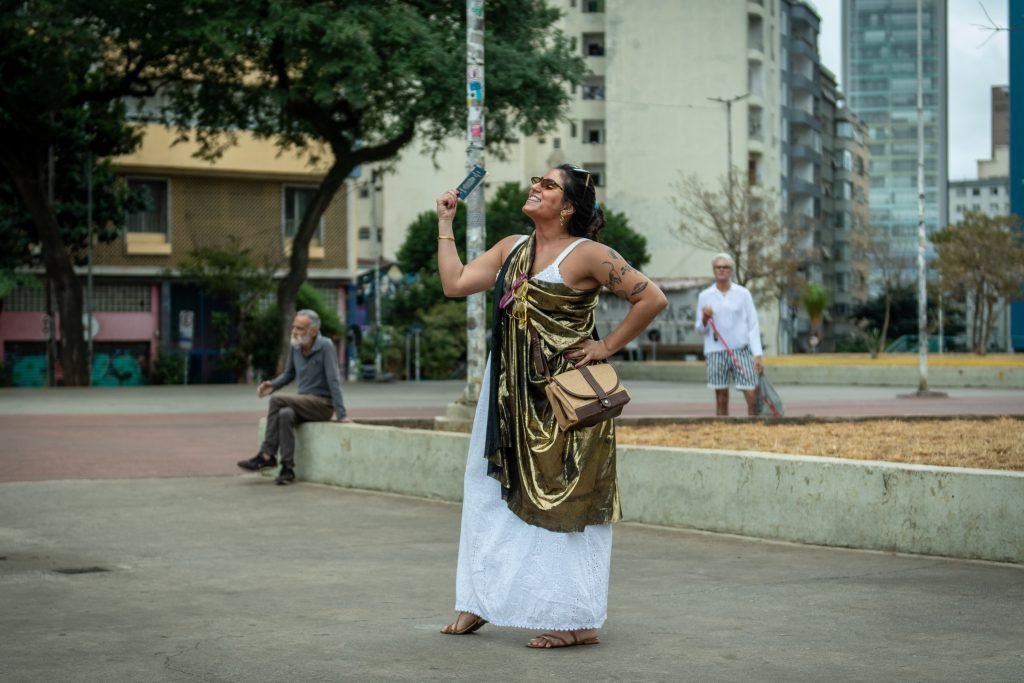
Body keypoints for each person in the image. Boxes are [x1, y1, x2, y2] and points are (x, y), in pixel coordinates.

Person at [434, 165, 667, 649]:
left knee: (565, 502)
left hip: (565, 401)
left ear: (568, 207)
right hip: (506, 394)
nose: (535, 187)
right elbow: (455, 283)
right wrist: (445, 224)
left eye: (548, 184)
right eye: (536, 180)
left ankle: (574, 619)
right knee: (485, 492)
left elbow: (651, 298)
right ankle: (479, 602)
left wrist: (607, 347)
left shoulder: (591, 255)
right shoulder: (510, 249)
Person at [237, 310, 348, 485]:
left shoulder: (325, 346)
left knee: (276, 401)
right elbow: (289, 374)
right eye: (294, 327)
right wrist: (272, 385)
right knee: (285, 414)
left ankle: (267, 454)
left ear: (313, 331)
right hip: (303, 403)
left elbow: (334, 380)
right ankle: (287, 469)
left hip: (322, 405)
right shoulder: (295, 346)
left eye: (300, 328)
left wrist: (341, 415)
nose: (295, 331)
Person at [694, 254, 764, 416]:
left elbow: (753, 324)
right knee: (721, 396)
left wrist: (758, 353)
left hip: (741, 349)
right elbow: (700, 329)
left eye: (725, 267)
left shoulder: (743, 293)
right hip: (715, 351)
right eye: (718, 267)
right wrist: (705, 318)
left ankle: (753, 426)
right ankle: (723, 428)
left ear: (731, 270)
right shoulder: (705, 296)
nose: (721, 270)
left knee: (751, 393)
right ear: (713, 271)